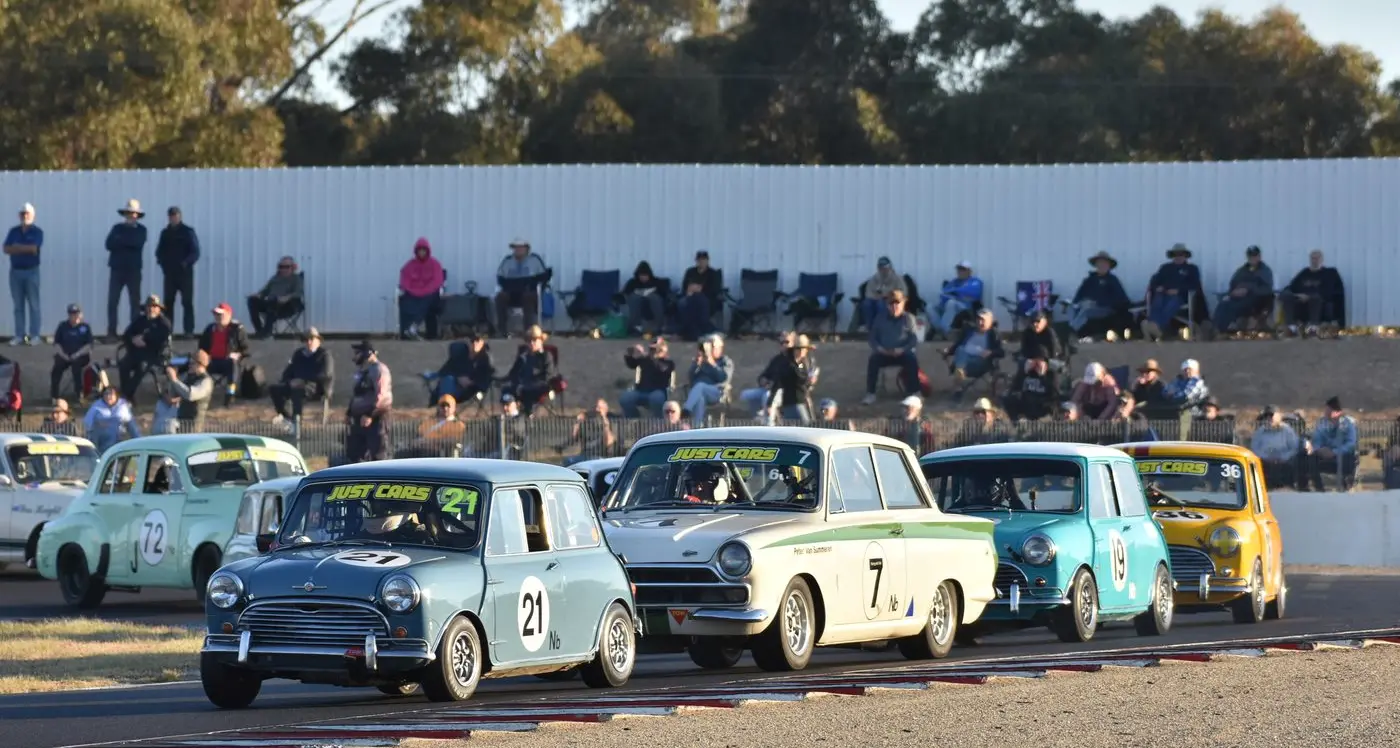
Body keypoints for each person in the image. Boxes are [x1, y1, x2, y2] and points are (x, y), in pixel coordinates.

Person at [861, 289, 920, 406]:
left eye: (897, 303)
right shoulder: (879, 318)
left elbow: (914, 340)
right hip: (884, 353)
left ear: (903, 303)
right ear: (887, 305)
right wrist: (879, 348)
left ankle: (915, 393)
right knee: (873, 360)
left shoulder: (909, 318)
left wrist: (903, 349)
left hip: (902, 352)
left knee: (912, 359)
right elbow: (872, 338)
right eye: (891, 303)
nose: (894, 306)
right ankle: (870, 394)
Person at [269, 328, 334, 424]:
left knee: (297, 392)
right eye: (307, 339)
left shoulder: (324, 354)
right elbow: (289, 370)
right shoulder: (299, 354)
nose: (309, 342)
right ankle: (287, 417)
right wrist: (288, 381)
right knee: (274, 389)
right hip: (296, 383)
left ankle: (296, 424)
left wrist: (303, 380)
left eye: (312, 339)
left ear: (318, 341)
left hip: (315, 387)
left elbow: (326, 374)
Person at [105, 199, 148, 341]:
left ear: (137, 214)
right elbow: (109, 243)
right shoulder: (117, 228)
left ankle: (134, 332)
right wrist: (125, 241)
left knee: (135, 302)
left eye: (133, 213)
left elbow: (137, 243)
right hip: (117, 269)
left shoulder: (142, 230)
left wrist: (121, 241)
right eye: (129, 213)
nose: (131, 216)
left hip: (133, 270)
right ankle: (111, 332)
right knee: (113, 301)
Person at [117, 295, 173, 403]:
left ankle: (126, 395)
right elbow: (126, 334)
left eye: (154, 306)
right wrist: (133, 339)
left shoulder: (164, 323)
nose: (151, 309)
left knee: (141, 368)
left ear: (159, 308)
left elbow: (163, 340)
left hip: (154, 355)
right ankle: (127, 396)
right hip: (135, 353)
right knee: (124, 365)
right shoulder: (140, 319)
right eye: (149, 306)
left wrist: (145, 340)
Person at [1142, 243, 1203, 341]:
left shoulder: (1191, 269)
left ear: (1185, 256)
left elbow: (1195, 285)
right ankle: (1153, 326)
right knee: (1157, 301)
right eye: (1176, 254)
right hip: (1163, 294)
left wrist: (1178, 290)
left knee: (1171, 303)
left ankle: (1155, 327)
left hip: (1180, 297)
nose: (1178, 257)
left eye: (1181, 254)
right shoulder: (1165, 268)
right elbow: (1154, 281)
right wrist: (1158, 287)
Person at [155, 206, 201, 337]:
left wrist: (185, 263)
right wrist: (162, 263)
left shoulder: (187, 232)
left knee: (187, 302)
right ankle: (168, 331)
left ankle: (188, 331)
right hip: (169, 274)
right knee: (168, 303)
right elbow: (159, 251)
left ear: (180, 216)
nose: (173, 218)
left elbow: (195, 252)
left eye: (175, 215)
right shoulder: (165, 233)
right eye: (171, 216)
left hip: (185, 274)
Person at [345, 340, 393, 463]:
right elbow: (356, 394)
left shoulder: (379, 370)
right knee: (355, 457)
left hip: (376, 419)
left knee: (378, 457)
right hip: (359, 419)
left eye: (358, 353)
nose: (355, 356)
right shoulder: (362, 371)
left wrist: (370, 415)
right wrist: (349, 413)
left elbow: (382, 396)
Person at [1211, 245, 1274, 336]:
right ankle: (1216, 329)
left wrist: (1248, 289)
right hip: (1239, 298)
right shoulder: (1241, 271)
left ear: (1259, 256)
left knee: (1235, 307)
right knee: (1223, 305)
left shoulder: (1265, 271)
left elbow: (1267, 289)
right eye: (1250, 256)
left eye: (1255, 256)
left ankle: (1222, 330)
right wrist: (1234, 292)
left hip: (1257, 300)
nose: (1253, 258)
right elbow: (1232, 285)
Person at [1280, 249, 1344, 336]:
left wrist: (1308, 296)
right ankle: (1291, 327)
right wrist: (1297, 295)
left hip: (1319, 303)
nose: (1314, 260)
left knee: (1315, 298)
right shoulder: (1304, 273)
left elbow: (1328, 291)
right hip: (1301, 303)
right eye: (1312, 258)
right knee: (1286, 295)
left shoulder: (1329, 273)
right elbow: (1292, 287)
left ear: (1322, 259)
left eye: (1317, 258)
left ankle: (1314, 327)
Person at [1069, 251, 1131, 340]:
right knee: (1071, 308)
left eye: (1104, 263)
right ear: (1096, 265)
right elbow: (1078, 296)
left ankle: (1073, 331)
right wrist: (1080, 302)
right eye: (1099, 263)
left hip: (1104, 308)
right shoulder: (1089, 280)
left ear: (1109, 266)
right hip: (1084, 306)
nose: (1102, 265)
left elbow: (1121, 299)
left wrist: (1097, 302)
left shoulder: (1112, 280)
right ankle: (1075, 328)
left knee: (1087, 311)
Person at [4, 202, 42, 345]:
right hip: (15, 272)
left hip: (31, 271)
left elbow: (34, 249)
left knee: (34, 305)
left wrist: (17, 247)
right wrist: (23, 248)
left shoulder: (37, 232)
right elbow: (6, 248)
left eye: (27, 213)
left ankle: (35, 335)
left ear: (33, 215)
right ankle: (19, 335)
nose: (24, 216)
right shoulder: (13, 231)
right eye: (22, 214)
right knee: (18, 306)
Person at [198, 302, 251, 401]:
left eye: (221, 314)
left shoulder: (237, 329)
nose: (218, 317)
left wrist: (237, 354)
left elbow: (246, 349)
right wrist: (204, 356)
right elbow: (201, 347)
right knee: (194, 362)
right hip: (211, 361)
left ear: (229, 315)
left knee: (232, 363)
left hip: (228, 362)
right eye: (216, 314)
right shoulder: (210, 329)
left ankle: (230, 393)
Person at [152, 349, 214, 434]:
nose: (189, 365)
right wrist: (170, 380)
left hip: (193, 427)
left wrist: (174, 380)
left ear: (200, 365)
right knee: (161, 406)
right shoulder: (189, 377)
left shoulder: (206, 381)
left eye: (192, 363)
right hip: (180, 422)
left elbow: (190, 395)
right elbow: (173, 395)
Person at [495, 238, 549, 331]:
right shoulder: (507, 261)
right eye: (516, 248)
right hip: (512, 292)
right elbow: (500, 277)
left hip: (529, 292)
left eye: (521, 248)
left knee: (527, 297)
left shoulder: (534, 260)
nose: (518, 250)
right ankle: (501, 330)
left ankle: (528, 330)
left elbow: (543, 278)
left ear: (527, 249)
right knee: (500, 297)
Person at [398, 237, 446, 339]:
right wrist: (413, 291)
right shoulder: (410, 265)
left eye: (424, 250)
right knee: (405, 301)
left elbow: (437, 281)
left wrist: (425, 291)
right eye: (420, 251)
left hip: (429, 293)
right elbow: (404, 280)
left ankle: (415, 327)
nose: (422, 253)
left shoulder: (435, 264)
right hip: (413, 294)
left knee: (429, 301)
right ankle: (407, 331)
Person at [682, 333, 735, 426]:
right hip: (699, 393)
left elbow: (723, 378)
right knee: (699, 399)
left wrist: (711, 362)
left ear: (719, 348)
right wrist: (696, 365)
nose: (709, 350)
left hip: (717, 392)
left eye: (712, 347)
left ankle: (686, 409)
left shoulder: (725, 361)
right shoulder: (701, 361)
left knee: (700, 386)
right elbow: (691, 378)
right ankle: (698, 429)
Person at [502, 325, 555, 416]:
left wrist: (528, 384)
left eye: (534, 340)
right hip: (521, 385)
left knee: (526, 391)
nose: (532, 343)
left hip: (539, 386)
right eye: (529, 341)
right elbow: (513, 372)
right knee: (506, 390)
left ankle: (526, 416)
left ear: (541, 341)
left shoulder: (546, 356)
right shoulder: (523, 356)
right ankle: (513, 415)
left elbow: (548, 376)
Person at [765, 334, 818, 424]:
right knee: (804, 426)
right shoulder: (787, 364)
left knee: (807, 425)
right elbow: (778, 382)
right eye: (799, 349)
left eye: (804, 349)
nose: (802, 351)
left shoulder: (801, 363)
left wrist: (809, 380)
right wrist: (770, 403)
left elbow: (802, 376)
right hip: (792, 402)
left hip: (802, 400)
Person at [246, 256, 304, 338]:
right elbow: (265, 291)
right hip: (271, 303)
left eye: (286, 267)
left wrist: (287, 297)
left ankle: (266, 332)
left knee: (273, 302)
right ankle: (259, 331)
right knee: (252, 301)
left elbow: (298, 293)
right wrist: (258, 295)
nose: (283, 269)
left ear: (293, 267)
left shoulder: (296, 278)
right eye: (281, 267)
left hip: (288, 306)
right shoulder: (275, 278)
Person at [1308, 396, 1357, 491]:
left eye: (1328, 410)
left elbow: (1350, 444)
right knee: (1310, 459)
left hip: (1342, 455)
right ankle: (1319, 489)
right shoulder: (1322, 423)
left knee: (1349, 458)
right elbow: (1316, 440)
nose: (1326, 412)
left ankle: (1345, 486)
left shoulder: (1348, 424)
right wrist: (1320, 450)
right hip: (1325, 453)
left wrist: (1334, 452)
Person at [430, 333, 494, 404]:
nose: (475, 344)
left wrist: (472, 382)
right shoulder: (461, 355)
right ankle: (445, 404)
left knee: (448, 380)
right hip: (453, 385)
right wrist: (458, 377)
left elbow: (487, 377)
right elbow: (445, 370)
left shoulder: (484, 360)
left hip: (470, 390)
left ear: (483, 344)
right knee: (447, 379)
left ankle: (444, 404)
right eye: (473, 341)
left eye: (478, 341)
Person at [620, 336, 675, 418]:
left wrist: (651, 358)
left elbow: (662, 369)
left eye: (655, 349)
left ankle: (658, 421)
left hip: (658, 391)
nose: (652, 351)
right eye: (651, 349)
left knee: (656, 398)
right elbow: (631, 364)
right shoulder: (645, 359)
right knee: (625, 398)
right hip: (641, 391)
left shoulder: (668, 363)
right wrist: (630, 352)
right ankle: (634, 419)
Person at [50, 304, 93, 402]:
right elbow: (56, 344)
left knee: (76, 367)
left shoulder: (85, 327)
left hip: (80, 355)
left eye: (77, 314)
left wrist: (77, 354)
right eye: (72, 314)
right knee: (57, 368)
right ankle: (54, 396)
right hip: (64, 355)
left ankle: (79, 394)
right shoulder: (62, 326)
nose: (75, 316)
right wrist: (64, 355)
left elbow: (89, 346)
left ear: (81, 315)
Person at [83, 386, 140, 454]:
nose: (108, 396)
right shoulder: (96, 405)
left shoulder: (123, 405)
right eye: (106, 394)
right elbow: (87, 422)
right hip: (102, 441)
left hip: (120, 441)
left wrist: (138, 442)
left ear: (116, 395)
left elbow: (131, 425)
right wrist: (99, 424)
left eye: (111, 394)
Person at [932, 261, 982, 337]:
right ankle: (942, 330)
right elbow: (943, 294)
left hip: (966, 308)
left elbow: (975, 293)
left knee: (951, 303)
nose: (960, 271)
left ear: (969, 271)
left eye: (963, 269)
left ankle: (945, 330)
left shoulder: (975, 281)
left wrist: (956, 291)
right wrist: (959, 294)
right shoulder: (954, 282)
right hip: (949, 306)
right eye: (959, 269)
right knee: (930, 307)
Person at [1003, 357, 1058, 422]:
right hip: (1024, 416)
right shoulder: (1022, 377)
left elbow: (1054, 399)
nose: (1036, 364)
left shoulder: (1049, 379)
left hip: (1043, 416)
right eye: (1033, 361)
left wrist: (1042, 375)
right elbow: (1013, 393)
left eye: (1039, 362)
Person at [858, 257, 906, 330]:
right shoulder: (874, 279)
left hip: (891, 301)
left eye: (885, 267)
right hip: (876, 299)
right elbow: (868, 293)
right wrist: (878, 296)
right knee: (866, 304)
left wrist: (889, 295)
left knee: (881, 304)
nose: (883, 269)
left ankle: (882, 328)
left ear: (890, 267)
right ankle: (871, 329)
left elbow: (903, 292)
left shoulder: (897, 279)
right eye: (881, 267)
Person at [622, 261, 667, 334]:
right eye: (641, 276)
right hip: (636, 303)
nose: (643, 278)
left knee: (654, 298)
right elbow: (626, 293)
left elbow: (663, 293)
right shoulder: (632, 283)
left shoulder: (656, 282)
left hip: (652, 302)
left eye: (645, 276)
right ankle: (635, 326)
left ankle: (658, 326)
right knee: (634, 298)